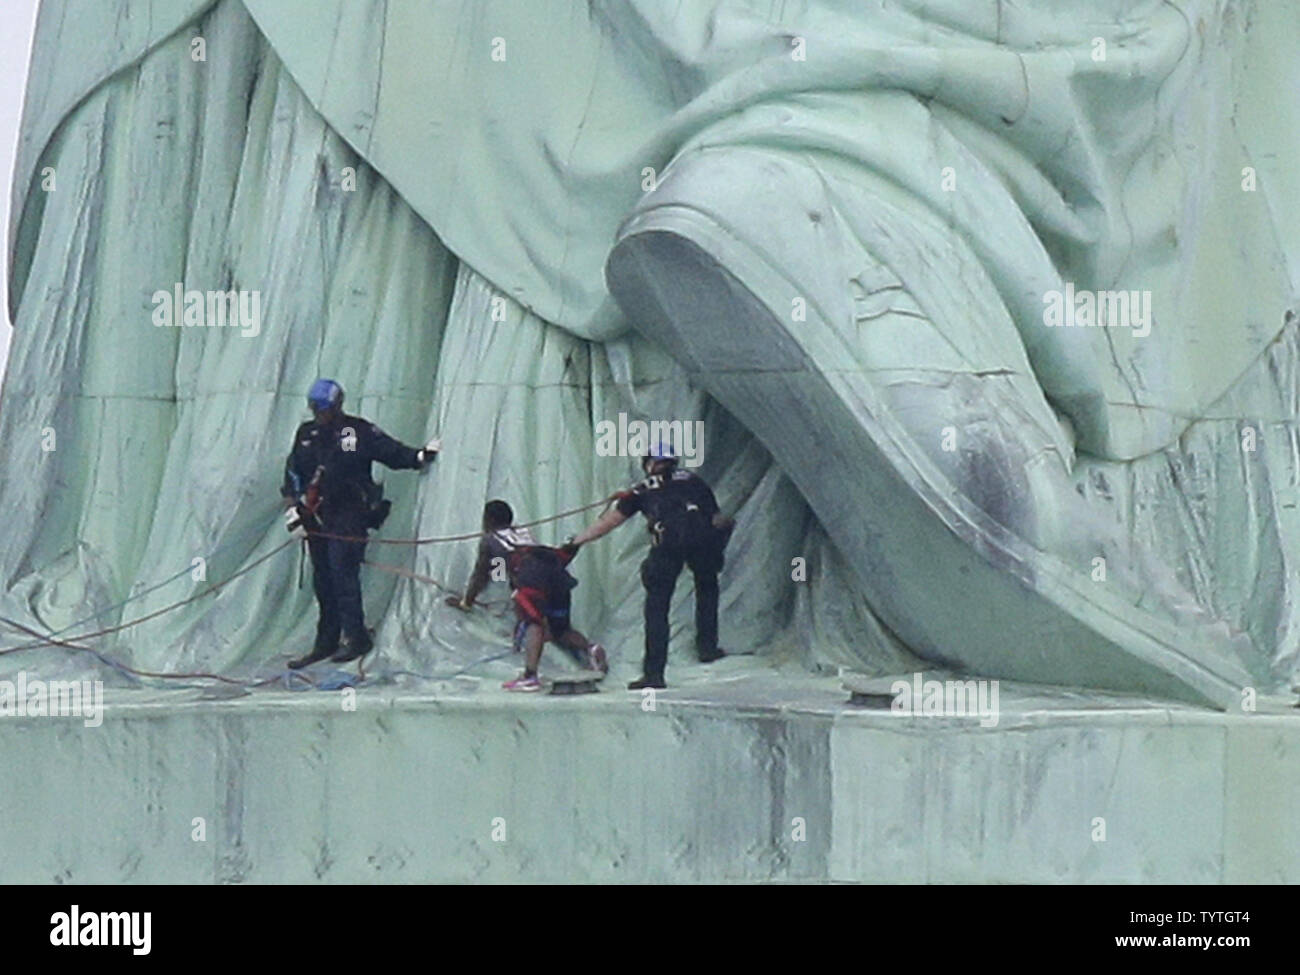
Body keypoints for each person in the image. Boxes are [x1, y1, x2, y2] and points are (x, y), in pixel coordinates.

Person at [281, 378, 441, 668]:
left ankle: (356, 638)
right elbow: (292, 473)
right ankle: (326, 641)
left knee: (344, 576)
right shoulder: (306, 434)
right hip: (316, 516)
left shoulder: (356, 431)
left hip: (348, 514)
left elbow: (389, 451)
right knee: (324, 579)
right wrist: (293, 510)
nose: (321, 413)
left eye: (325, 408)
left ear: (338, 404)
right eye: (316, 408)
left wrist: (419, 456)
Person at [571, 444, 733, 689]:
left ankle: (654, 674)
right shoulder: (693, 480)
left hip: (667, 545)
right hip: (702, 541)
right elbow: (717, 518)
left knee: (657, 609)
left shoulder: (640, 490)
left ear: (649, 464)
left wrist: (577, 541)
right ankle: (707, 647)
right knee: (707, 587)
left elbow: (609, 523)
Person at [448, 499, 607, 692]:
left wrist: (467, 601)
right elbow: (500, 569)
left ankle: (530, 677)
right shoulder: (522, 533)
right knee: (560, 630)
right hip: (558, 576)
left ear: (487, 520)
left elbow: (482, 574)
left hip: (532, 580)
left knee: (534, 622)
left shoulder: (490, 539)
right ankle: (590, 649)